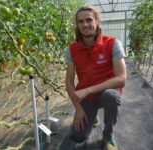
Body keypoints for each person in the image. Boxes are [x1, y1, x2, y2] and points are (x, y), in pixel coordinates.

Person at [65, 5, 126, 150]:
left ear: (97, 21)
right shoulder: (72, 48)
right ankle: (92, 116)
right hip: (88, 98)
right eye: (81, 21)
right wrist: (78, 109)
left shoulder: (112, 43)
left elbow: (121, 79)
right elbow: (68, 81)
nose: (85, 25)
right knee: (78, 136)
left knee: (111, 96)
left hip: (106, 93)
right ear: (77, 25)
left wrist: (87, 90)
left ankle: (108, 136)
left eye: (89, 20)